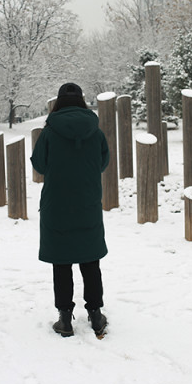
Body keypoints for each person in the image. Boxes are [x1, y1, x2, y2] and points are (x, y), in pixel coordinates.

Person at [31, 83, 109, 338]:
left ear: (58, 103)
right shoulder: (95, 132)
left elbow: (39, 164)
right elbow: (103, 162)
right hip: (87, 203)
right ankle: (96, 314)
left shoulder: (50, 132)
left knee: (61, 262)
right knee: (90, 260)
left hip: (58, 205)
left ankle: (65, 318)